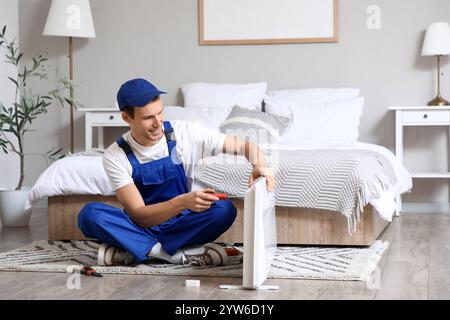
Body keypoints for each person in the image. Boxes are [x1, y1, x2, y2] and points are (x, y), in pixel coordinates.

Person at [78, 78, 275, 267]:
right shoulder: (116, 155)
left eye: (160, 113)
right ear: (127, 117)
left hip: (182, 224)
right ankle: (171, 255)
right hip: (144, 224)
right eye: (148, 117)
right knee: (89, 215)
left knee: (224, 209)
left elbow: (244, 145)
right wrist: (183, 201)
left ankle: (139, 248)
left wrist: (259, 164)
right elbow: (139, 216)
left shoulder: (183, 133)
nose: (157, 123)